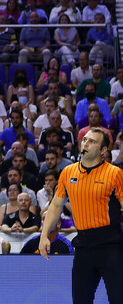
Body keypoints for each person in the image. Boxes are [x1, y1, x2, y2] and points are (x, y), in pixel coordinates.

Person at [39, 128, 123, 302]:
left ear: (103, 150)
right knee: (80, 300)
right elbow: (55, 205)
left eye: (92, 141)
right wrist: (44, 235)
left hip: (111, 246)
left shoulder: (115, 174)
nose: (85, 143)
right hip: (83, 247)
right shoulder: (68, 172)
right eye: (84, 139)